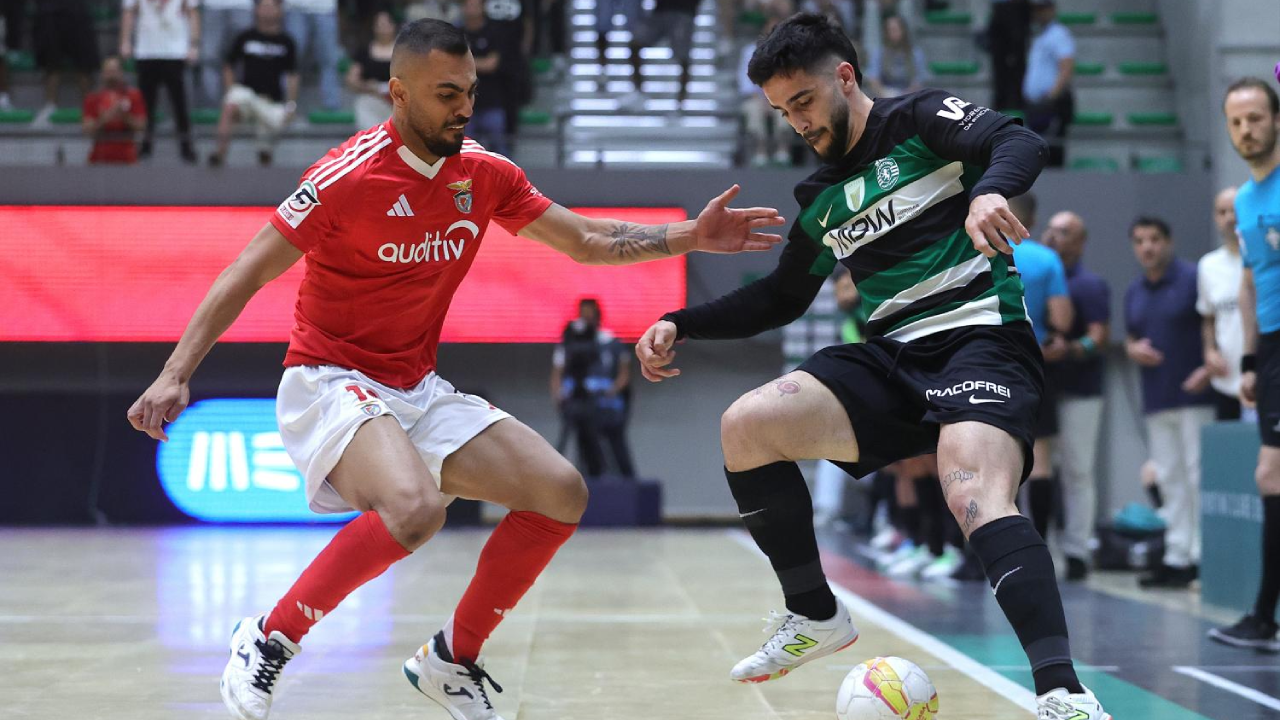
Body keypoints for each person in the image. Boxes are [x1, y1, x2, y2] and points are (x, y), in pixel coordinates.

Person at [126, 19, 784, 720]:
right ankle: (269, 637)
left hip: (416, 386)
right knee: (414, 512)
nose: (464, 107)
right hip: (328, 378)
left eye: (468, 90)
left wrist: (691, 236)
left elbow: (589, 240)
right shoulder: (345, 176)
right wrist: (174, 372)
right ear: (398, 93)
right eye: (446, 94)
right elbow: (243, 274)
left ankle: (451, 659)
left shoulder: (485, 174)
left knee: (560, 491)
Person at [635, 13, 1112, 719]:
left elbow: (1018, 138)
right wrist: (680, 322)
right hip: (893, 358)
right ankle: (815, 613)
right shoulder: (822, 199)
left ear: (845, 78)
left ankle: (1062, 694)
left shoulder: (920, 120)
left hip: (980, 338)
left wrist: (987, 190)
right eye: (780, 110)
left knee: (972, 494)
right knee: (747, 425)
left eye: (802, 101)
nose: (795, 121)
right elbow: (780, 297)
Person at [1209, 77, 1280, 652]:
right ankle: (1263, 617)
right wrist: (1252, 358)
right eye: (1235, 122)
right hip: (1274, 348)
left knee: (1270, 474)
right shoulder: (1249, 201)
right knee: (1270, 475)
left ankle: (1263, 616)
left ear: (1275, 119)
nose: (1245, 130)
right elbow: (1253, 278)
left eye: (1255, 118)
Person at [1124, 216, 1214, 589]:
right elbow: (1131, 338)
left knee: (1198, 478)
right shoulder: (1134, 291)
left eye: (1155, 239)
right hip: (1157, 397)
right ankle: (1177, 556)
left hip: (1194, 394)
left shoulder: (1193, 279)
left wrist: (1208, 369)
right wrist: (1132, 350)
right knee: (1170, 479)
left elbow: (1214, 328)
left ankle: (1202, 558)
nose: (1148, 247)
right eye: (1140, 240)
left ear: (1168, 241)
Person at [1044, 210, 1109, 581]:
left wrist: (1070, 349)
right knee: (1038, 473)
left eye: (1064, 231)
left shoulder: (1089, 284)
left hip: (1080, 391)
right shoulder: (1035, 274)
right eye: (1051, 229)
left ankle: (1078, 549)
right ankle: (1046, 549)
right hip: (1042, 390)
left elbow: (1099, 335)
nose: (1054, 236)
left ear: (1080, 242)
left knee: (1077, 471)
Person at [1009, 192, 1072, 545]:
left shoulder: (975, 250)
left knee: (999, 460)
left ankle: (1003, 547)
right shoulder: (1047, 259)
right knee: (1041, 458)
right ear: (1032, 221)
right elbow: (1061, 318)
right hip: (1033, 363)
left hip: (987, 363)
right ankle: (1041, 544)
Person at [550, 298, 636, 478]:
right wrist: (559, 396)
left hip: (606, 406)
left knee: (615, 446)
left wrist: (612, 391)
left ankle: (627, 483)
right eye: (584, 315)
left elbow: (624, 373)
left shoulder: (611, 342)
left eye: (591, 315)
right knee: (583, 444)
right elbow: (557, 373)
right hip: (578, 402)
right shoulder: (569, 343)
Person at [209, 0, 299, 167]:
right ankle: (219, 154)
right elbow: (228, 65)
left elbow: (292, 75)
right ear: (256, 10)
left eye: (272, 6)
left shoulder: (287, 41)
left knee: (268, 139)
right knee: (231, 103)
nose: (267, 11)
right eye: (263, 6)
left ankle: (264, 170)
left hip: (271, 102)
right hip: (247, 96)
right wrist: (230, 89)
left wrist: (291, 105)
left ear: (279, 11)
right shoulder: (245, 37)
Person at [121, 0, 201, 163]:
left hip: (175, 51)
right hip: (146, 51)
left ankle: (186, 145)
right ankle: (145, 144)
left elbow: (193, 13)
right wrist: (125, 41)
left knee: (180, 104)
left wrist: (193, 44)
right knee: (145, 105)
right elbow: (129, 12)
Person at [1198, 186, 1248, 421]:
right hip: (1226, 378)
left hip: (1264, 374)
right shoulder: (1208, 265)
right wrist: (1210, 350)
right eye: (1222, 212)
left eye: (1235, 210)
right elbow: (1208, 316)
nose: (1230, 217)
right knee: (1229, 451)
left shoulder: (1267, 259)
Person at [461, 0, 516, 156]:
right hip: (463, 104)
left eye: (475, 5)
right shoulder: (456, 33)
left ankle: (506, 179)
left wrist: (466, 62)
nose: (471, 9)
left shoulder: (494, 32)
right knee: (465, 151)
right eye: (468, 5)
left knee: (499, 149)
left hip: (492, 101)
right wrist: (478, 63)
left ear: (482, 8)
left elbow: (492, 64)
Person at [1022, 0, 1073, 167]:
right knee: (1037, 154)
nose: (1039, 13)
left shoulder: (1059, 34)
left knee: (1050, 153)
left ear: (1052, 9)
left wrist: (1051, 97)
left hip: (1051, 104)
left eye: (1043, 9)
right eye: (1036, 9)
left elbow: (1066, 67)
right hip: (1037, 105)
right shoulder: (1040, 36)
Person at [31, 0, 99, 127]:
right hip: (48, 11)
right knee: (50, 63)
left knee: (84, 63)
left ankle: (88, 108)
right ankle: (50, 106)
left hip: (77, 11)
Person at [623, 0, 698, 108]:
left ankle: (681, 102)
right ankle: (638, 90)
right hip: (661, 12)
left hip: (683, 12)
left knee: (683, 58)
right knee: (635, 45)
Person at [82, 55, 148, 165]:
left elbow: (141, 126)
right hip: (100, 156)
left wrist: (124, 116)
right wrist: (107, 117)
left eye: (114, 71)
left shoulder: (134, 96)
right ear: (102, 74)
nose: (111, 75)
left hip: (127, 157)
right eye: (108, 72)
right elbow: (87, 130)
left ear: (121, 72)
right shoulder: (92, 98)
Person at [283, 0, 341, 110]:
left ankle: (331, 105)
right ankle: (285, 102)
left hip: (325, 8)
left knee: (329, 59)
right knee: (291, 58)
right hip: (295, 7)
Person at [346, 9, 397, 129]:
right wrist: (366, 86)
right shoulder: (364, 52)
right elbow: (351, 79)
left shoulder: (404, 51)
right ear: (374, 28)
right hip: (371, 97)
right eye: (380, 25)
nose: (383, 29)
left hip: (398, 101)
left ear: (393, 26)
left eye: (386, 24)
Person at [199, 0, 254, 105]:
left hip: (243, 6)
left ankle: (246, 106)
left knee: (246, 59)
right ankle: (212, 106)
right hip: (212, 6)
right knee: (209, 59)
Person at [864, 14, 929, 99]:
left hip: (910, 96)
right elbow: (873, 78)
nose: (893, 33)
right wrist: (885, 94)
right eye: (890, 30)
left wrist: (906, 95)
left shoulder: (916, 53)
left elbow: (919, 80)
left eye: (895, 30)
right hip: (886, 96)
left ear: (903, 31)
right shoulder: (878, 53)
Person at [987, 0, 1029, 111]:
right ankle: (1002, 101)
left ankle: (1016, 101)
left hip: (1017, 7)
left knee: (1017, 61)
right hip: (1002, 7)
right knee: (1000, 63)